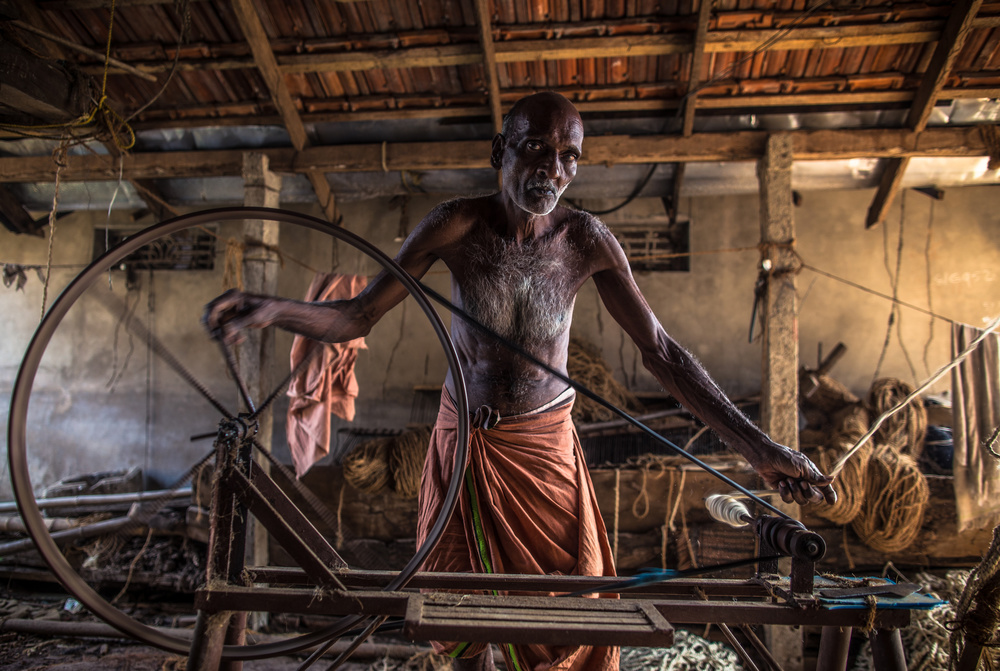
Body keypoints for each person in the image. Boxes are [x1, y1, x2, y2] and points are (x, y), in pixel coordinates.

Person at [204, 91, 836, 671]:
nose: (553, 169)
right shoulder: (456, 225)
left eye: (570, 156)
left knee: (565, 617)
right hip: (466, 447)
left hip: (544, 451)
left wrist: (763, 451)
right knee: (459, 612)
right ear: (500, 152)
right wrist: (273, 309)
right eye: (536, 147)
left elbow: (663, 353)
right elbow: (357, 315)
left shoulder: (585, 240)